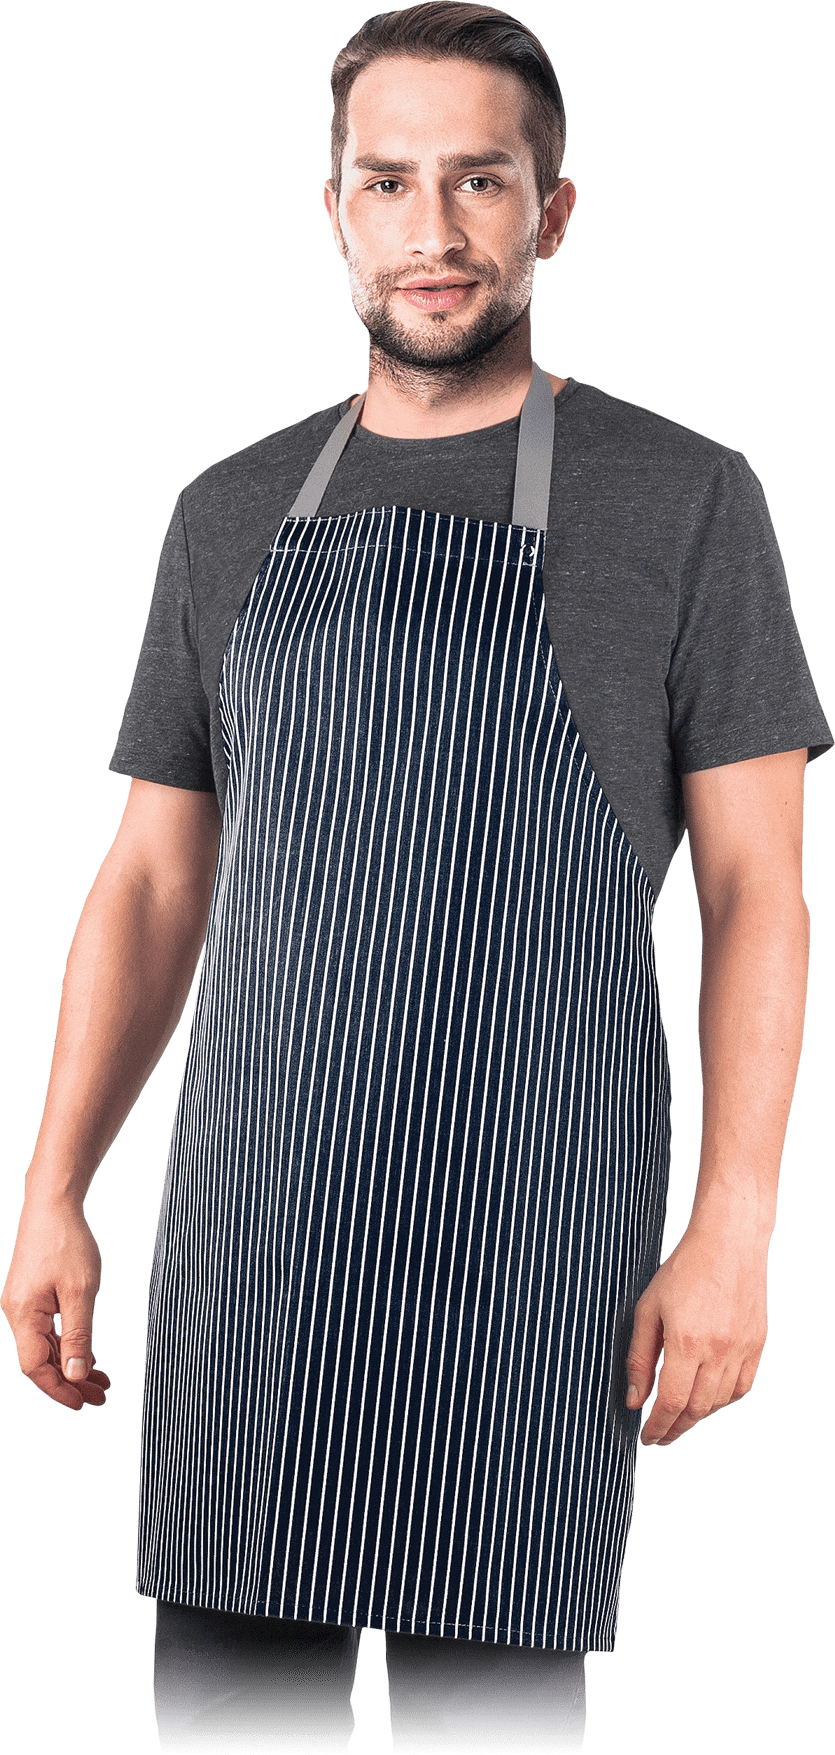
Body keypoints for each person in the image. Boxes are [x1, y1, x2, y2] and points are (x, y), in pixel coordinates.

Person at [2, 2, 831, 1747]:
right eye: (388, 181)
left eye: (480, 178)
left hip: (531, 1239)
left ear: (553, 210)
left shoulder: (682, 496)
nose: (433, 226)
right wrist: (55, 1183)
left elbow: (757, 888)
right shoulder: (229, 507)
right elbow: (150, 878)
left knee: (498, 1719)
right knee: (228, 1710)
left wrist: (736, 1226)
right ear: (333, 211)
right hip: (256, 1236)